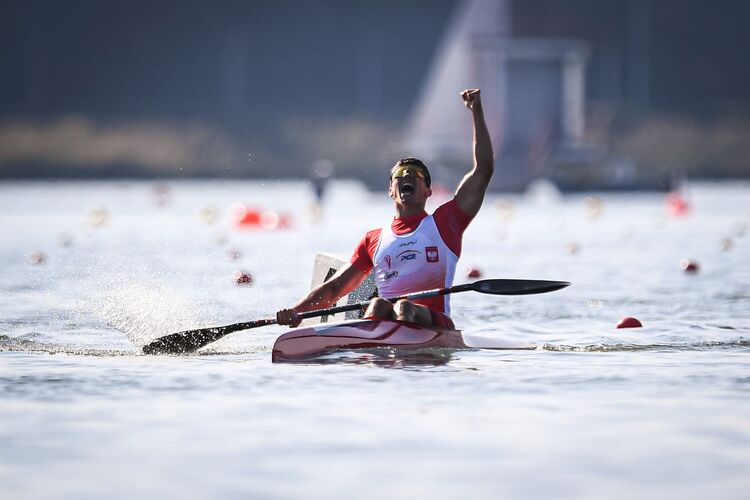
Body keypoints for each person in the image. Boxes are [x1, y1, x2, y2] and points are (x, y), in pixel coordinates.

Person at [276, 88, 494, 329]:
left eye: (417, 173)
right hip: (385, 320)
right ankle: (372, 346)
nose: (408, 174)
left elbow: (483, 169)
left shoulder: (446, 223)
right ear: (391, 190)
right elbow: (334, 289)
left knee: (402, 307)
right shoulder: (373, 239)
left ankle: (384, 335)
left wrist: (477, 112)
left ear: (428, 191)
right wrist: (295, 312)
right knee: (379, 305)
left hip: (435, 324)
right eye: (400, 174)